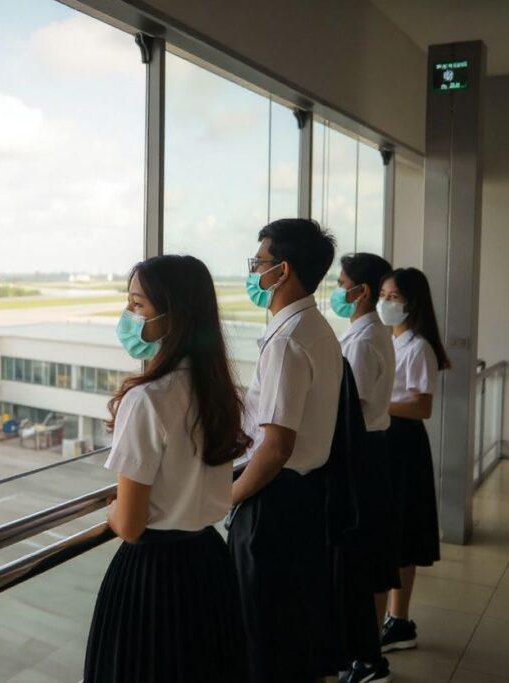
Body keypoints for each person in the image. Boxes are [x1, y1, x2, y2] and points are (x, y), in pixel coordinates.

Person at [83, 254, 251, 683]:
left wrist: (111, 511)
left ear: (172, 316)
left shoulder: (148, 400)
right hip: (208, 563)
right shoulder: (218, 391)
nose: (128, 316)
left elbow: (132, 523)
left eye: (137, 306)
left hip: (154, 579)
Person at [228, 218, 343, 682]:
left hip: (274, 502)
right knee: (291, 630)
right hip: (303, 497)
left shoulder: (289, 340)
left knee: (263, 633)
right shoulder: (314, 328)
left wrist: (228, 498)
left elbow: (275, 447)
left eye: (259, 262)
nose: (253, 271)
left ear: (283, 270)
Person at [331, 253, 398, 683]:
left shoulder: (361, 341)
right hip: (375, 446)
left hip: (363, 450)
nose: (338, 292)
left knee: (360, 559)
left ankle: (367, 658)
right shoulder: (371, 332)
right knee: (369, 558)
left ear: (362, 292)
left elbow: (346, 408)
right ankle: (366, 652)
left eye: (342, 285)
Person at [377, 267, 451, 653]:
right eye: (384, 296)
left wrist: (371, 406)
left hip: (403, 443)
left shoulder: (418, 346)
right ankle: (394, 619)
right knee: (393, 531)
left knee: (403, 533)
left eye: (393, 298)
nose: (386, 303)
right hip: (387, 438)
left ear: (412, 303)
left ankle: (399, 620)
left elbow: (422, 407)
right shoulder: (390, 340)